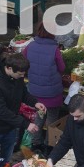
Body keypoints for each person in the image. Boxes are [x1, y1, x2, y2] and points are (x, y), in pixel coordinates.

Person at [0, 53, 46, 167]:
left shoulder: (17, 77)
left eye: (23, 74)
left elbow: (23, 93)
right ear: (9, 68)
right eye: (20, 74)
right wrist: (26, 124)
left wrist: (35, 103)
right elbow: (1, 111)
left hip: (9, 127)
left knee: (5, 159)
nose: (22, 76)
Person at [23, 23, 65, 153]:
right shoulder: (54, 49)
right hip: (52, 94)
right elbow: (62, 68)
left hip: (35, 93)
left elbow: (24, 64)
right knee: (53, 120)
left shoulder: (29, 46)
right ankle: (50, 146)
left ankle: (35, 144)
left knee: (39, 117)